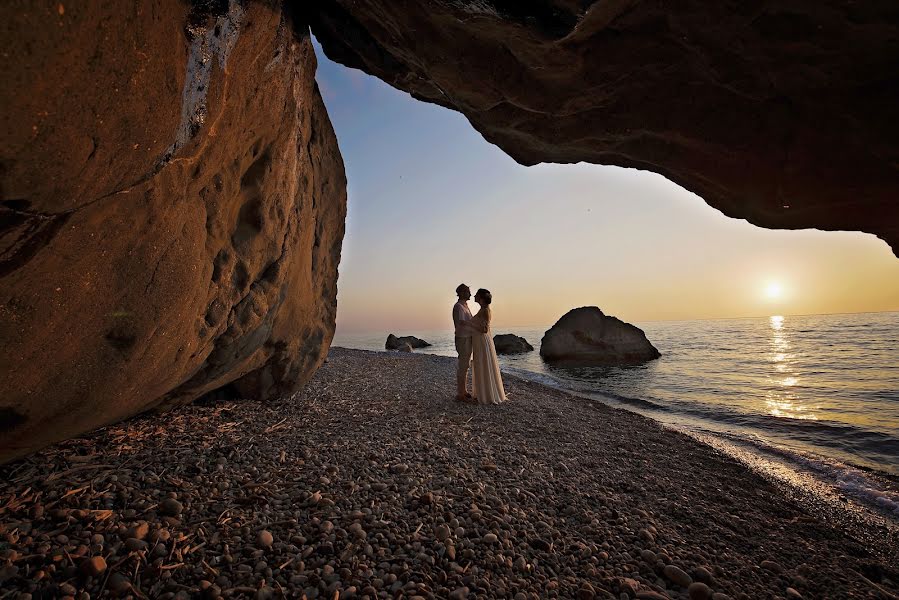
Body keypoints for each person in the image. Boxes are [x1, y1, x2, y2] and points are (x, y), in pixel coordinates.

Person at [459, 288, 507, 404]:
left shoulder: (485, 310)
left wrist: (467, 323)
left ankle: (486, 395)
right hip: (479, 341)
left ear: (480, 298)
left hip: (481, 340)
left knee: (482, 364)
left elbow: (484, 330)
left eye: (476, 295)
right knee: (480, 365)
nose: (474, 296)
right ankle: (483, 393)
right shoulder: (483, 309)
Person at [452, 283, 474, 401]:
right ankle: (460, 394)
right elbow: (461, 322)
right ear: (461, 293)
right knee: (463, 365)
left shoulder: (465, 305)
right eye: (467, 292)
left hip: (467, 337)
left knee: (465, 365)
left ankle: (463, 391)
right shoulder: (459, 306)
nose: (470, 294)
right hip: (463, 338)